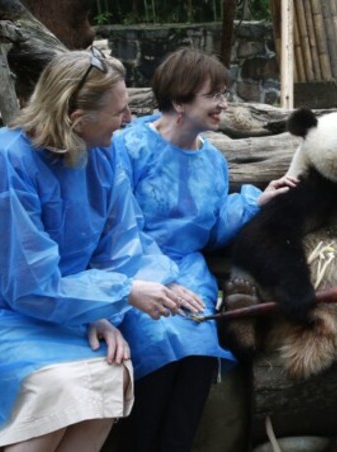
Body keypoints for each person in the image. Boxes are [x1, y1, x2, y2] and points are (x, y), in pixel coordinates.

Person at [0, 49, 192, 451]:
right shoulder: (0, 166)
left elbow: (121, 245)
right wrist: (120, 292)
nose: (130, 120)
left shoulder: (101, 152)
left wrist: (108, 303)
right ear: (77, 120)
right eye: (120, 112)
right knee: (65, 387)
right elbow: (27, 285)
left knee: (112, 374)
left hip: (45, 305)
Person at [113, 47, 296, 451]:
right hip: (133, 268)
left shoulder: (213, 161)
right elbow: (120, 228)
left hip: (190, 271)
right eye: (214, 95)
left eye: (225, 93)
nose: (224, 104)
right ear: (180, 101)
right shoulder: (129, 148)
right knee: (159, 341)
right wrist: (159, 280)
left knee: (198, 348)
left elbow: (211, 232)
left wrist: (255, 202)